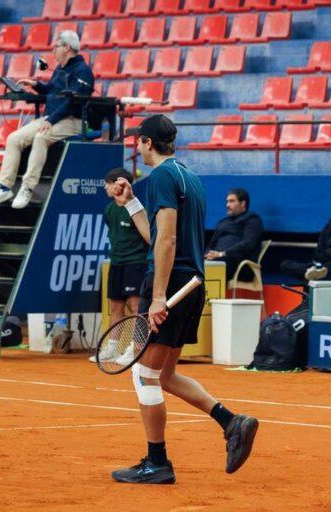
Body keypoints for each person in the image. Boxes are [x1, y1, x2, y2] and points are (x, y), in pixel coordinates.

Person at [110, 114, 258, 484]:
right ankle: (231, 422)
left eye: (138, 141)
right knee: (166, 374)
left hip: (171, 284)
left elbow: (167, 240)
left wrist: (158, 296)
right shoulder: (189, 177)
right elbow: (158, 234)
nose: (136, 147)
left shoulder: (160, 177)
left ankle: (157, 462)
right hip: (192, 283)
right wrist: (131, 204)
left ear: (146, 142)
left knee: (145, 375)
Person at [0, 30, 95, 210]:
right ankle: (4, 187)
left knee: (41, 137)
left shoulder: (83, 72)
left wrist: (51, 119)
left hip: (73, 120)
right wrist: (36, 85)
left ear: (66, 48)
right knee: (14, 139)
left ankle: (27, 187)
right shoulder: (60, 69)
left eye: (55, 47)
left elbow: (74, 102)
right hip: (51, 118)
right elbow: (51, 90)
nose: (53, 51)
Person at [90, 168, 149, 364]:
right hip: (117, 263)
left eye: (108, 184)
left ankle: (135, 348)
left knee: (136, 307)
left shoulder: (136, 207)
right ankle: (113, 348)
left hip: (136, 262)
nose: (105, 188)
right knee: (115, 307)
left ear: (119, 184)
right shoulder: (109, 210)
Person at [204, 188, 263, 281]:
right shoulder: (223, 222)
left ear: (243, 203)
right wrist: (207, 255)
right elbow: (212, 244)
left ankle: (213, 295)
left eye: (232, 201)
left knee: (216, 265)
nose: (227, 205)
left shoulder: (252, 219)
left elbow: (248, 243)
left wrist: (222, 254)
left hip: (240, 265)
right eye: (227, 201)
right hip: (217, 259)